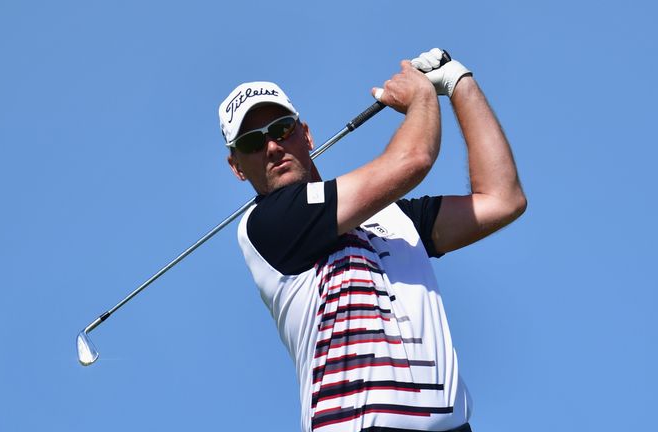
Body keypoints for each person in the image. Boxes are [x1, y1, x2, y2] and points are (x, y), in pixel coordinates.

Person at [217, 48, 526, 432]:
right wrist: (422, 98)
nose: (273, 147)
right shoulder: (266, 223)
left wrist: (460, 84)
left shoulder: (392, 218)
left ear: (306, 134)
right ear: (237, 168)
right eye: (251, 143)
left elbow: (502, 199)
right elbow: (413, 159)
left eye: (281, 129)